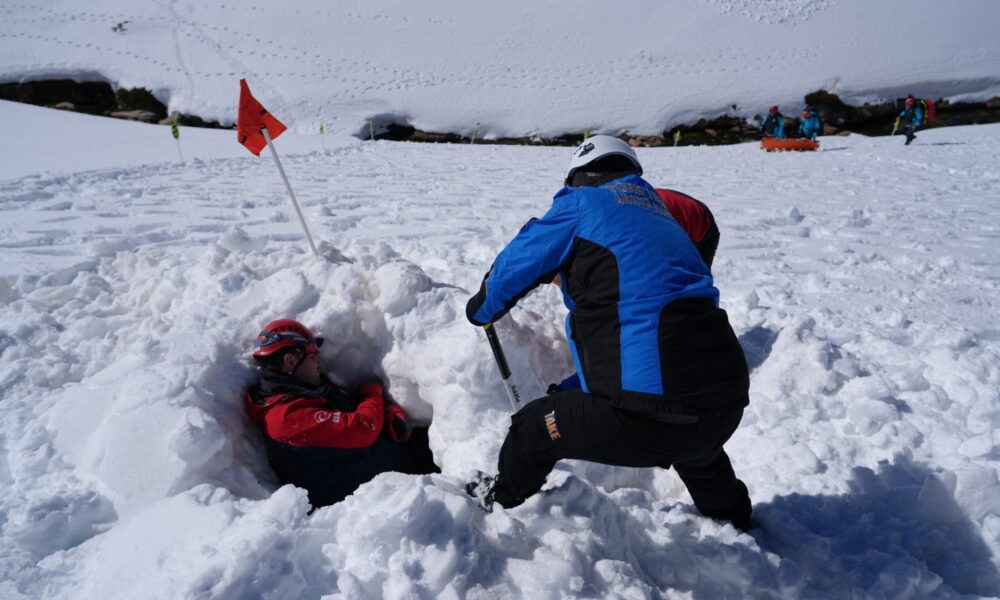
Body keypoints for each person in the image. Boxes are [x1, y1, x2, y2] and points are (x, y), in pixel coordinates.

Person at [465, 135, 753, 531]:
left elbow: (519, 261)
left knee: (534, 427)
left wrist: (482, 308)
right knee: (696, 445)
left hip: (647, 419)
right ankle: (736, 519)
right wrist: (571, 388)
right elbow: (640, 333)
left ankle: (498, 505)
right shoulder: (662, 218)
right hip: (723, 408)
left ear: (577, 176)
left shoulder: (581, 203)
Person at [245, 318, 438, 508]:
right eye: (312, 357)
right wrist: (372, 391)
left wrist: (388, 411)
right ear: (290, 361)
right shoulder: (285, 420)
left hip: (404, 460)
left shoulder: (308, 391)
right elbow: (364, 427)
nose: (318, 364)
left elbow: (355, 403)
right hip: (380, 502)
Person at [656, 188, 719, 269]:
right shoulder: (644, 198)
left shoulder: (655, 218)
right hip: (682, 213)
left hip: (704, 227)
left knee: (695, 273)